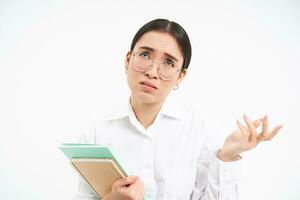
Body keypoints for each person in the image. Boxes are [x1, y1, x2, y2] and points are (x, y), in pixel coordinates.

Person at [74, 18, 283, 200]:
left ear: (180, 76)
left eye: (168, 62)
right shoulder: (96, 133)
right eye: (145, 55)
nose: (153, 72)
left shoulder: (200, 130)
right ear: (128, 59)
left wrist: (226, 157)